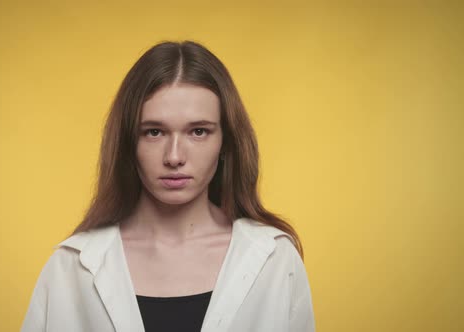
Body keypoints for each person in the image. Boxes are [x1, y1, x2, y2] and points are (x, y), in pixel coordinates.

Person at [21, 40, 315, 332]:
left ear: (225, 142)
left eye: (198, 131)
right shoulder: (71, 267)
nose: (174, 157)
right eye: (154, 132)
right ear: (128, 142)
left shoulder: (274, 260)